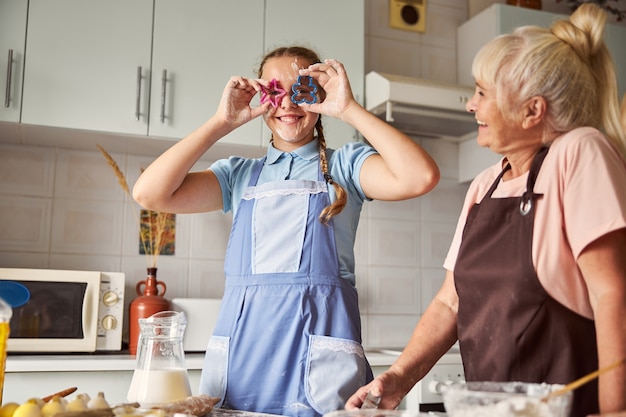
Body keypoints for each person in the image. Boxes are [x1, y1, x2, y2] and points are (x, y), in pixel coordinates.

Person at [346, 4, 626, 416]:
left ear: (533, 110)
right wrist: (398, 378)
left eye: (482, 92)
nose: (470, 106)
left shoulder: (579, 151)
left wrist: (615, 408)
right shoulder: (485, 184)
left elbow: (612, 293)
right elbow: (449, 303)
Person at [132, 45, 440, 417]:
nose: (288, 105)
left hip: (320, 366)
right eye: (274, 91)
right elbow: (149, 193)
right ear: (260, 98)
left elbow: (420, 176)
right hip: (242, 361)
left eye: (302, 91)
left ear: (320, 96)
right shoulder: (238, 175)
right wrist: (222, 122)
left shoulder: (345, 167)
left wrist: (348, 109)